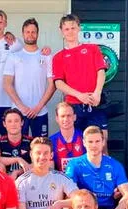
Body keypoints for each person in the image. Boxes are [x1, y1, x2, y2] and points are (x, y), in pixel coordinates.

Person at [16, 137, 78, 209]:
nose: (42, 157)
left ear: (51, 155)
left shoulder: (60, 177)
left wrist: (59, 204)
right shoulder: (22, 181)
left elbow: (80, 199)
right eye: (38, 153)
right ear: (31, 155)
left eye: (45, 153)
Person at [52, 14, 108, 145]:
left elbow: (101, 71)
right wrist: (79, 95)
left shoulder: (92, 49)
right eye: (66, 29)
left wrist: (97, 93)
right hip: (73, 106)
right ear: (61, 31)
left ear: (79, 28)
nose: (70, 32)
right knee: (76, 143)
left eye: (73, 28)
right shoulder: (58, 57)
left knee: (102, 143)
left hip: (95, 102)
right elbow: (58, 83)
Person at [66, 125, 128, 209]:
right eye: (90, 142)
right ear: (84, 143)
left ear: (103, 142)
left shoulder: (114, 165)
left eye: (97, 141)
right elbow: (69, 193)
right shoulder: (74, 164)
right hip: (85, 207)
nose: (94, 145)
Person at [3, 18, 55, 138]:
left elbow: (52, 85)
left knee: (42, 149)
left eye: (33, 32)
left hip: (40, 112)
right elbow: (7, 83)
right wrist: (21, 107)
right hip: (19, 113)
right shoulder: (14, 57)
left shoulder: (47, 56)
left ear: (37, 33)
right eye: (27, 32)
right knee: (20, 149)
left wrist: (38, 107)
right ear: (23, 33)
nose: (30, 35)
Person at [50, 102, 85, 172]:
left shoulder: (84, 138)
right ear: (57, 118)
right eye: (62, 116)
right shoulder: (51, 141)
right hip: (61, 181)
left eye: (69, 115)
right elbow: (49, 169)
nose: (66, 119)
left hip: (82, 181)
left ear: (74, 117)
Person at [0, 108, 32, 179]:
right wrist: (18, 159)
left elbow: (38, 163)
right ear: (4, 124)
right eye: (9, 121)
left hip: (27, 179)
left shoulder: (31, 142)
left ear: (22, 122)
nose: (13, 124)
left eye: (16, 121)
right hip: (6, 179)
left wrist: (18, 172)